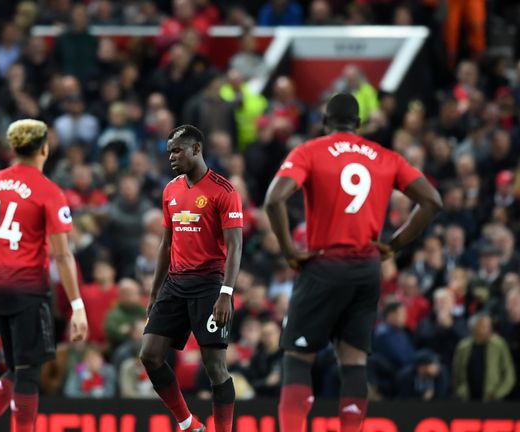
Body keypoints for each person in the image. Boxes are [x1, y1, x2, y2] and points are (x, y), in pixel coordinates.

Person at [264, 93, 442, 432]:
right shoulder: (385, 156)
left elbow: (274, 199)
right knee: (354, 361)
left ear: (324, 121)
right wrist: (393, 244)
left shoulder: (309, 151)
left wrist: (288, 249)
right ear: (359, 125)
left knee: (298, 358)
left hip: (323, 265)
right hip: (367, 269)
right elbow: (432, 201)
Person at [0, 119, 89, 432]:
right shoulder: (48, 191)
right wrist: (76, 306)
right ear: (45, 149)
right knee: (29, 372)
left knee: (16, 366)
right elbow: (62, 254)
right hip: (29, 289)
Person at [139, 125, 243, 432]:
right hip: (175, 283)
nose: (171, 157)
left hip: (210, 285)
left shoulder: (224, 191)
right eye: (169, 151)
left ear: (196, 149)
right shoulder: (170, 189)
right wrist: (155, 291)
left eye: (177, 150)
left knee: (215, 367)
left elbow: (236, 244)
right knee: (150, 356)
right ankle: (188, 424)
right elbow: (166, 243)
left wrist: (226, 292)